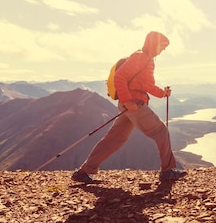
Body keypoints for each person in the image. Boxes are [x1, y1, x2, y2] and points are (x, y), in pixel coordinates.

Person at [72, 31, 186, 186]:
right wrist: (127, 101)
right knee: (161, 131)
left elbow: (146, 85)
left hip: (132, 104)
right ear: (154, 43)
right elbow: (119, 77)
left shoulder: (146, 59)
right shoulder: (141, 57)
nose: (163, 50)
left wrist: (162, 93)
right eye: (162, 45)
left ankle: (83, 172)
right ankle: (167, 171)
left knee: (115, 138)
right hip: (134, 104)